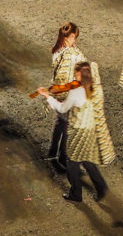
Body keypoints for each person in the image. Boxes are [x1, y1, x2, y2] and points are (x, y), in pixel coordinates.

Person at [36, 61, 115, 203]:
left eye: (76, 73)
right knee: (87, 159)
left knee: (72, 163)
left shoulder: (76, 92)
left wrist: (48, 97)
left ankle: (76, 194)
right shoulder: (96, 89)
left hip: (78, 131)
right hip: (91, 130)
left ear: (80, 75)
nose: (74, 74)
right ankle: (101, 186)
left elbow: (62, 109)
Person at [46, 22, 87, 168]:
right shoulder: (70, 54)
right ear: (67, 37)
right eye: (73, 37)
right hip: (68, 92)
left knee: (60, 123)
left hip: (58, 91)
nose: (74, 40)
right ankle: (63, 156)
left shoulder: (56, 51)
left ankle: (52, 151)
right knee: (67, 126)